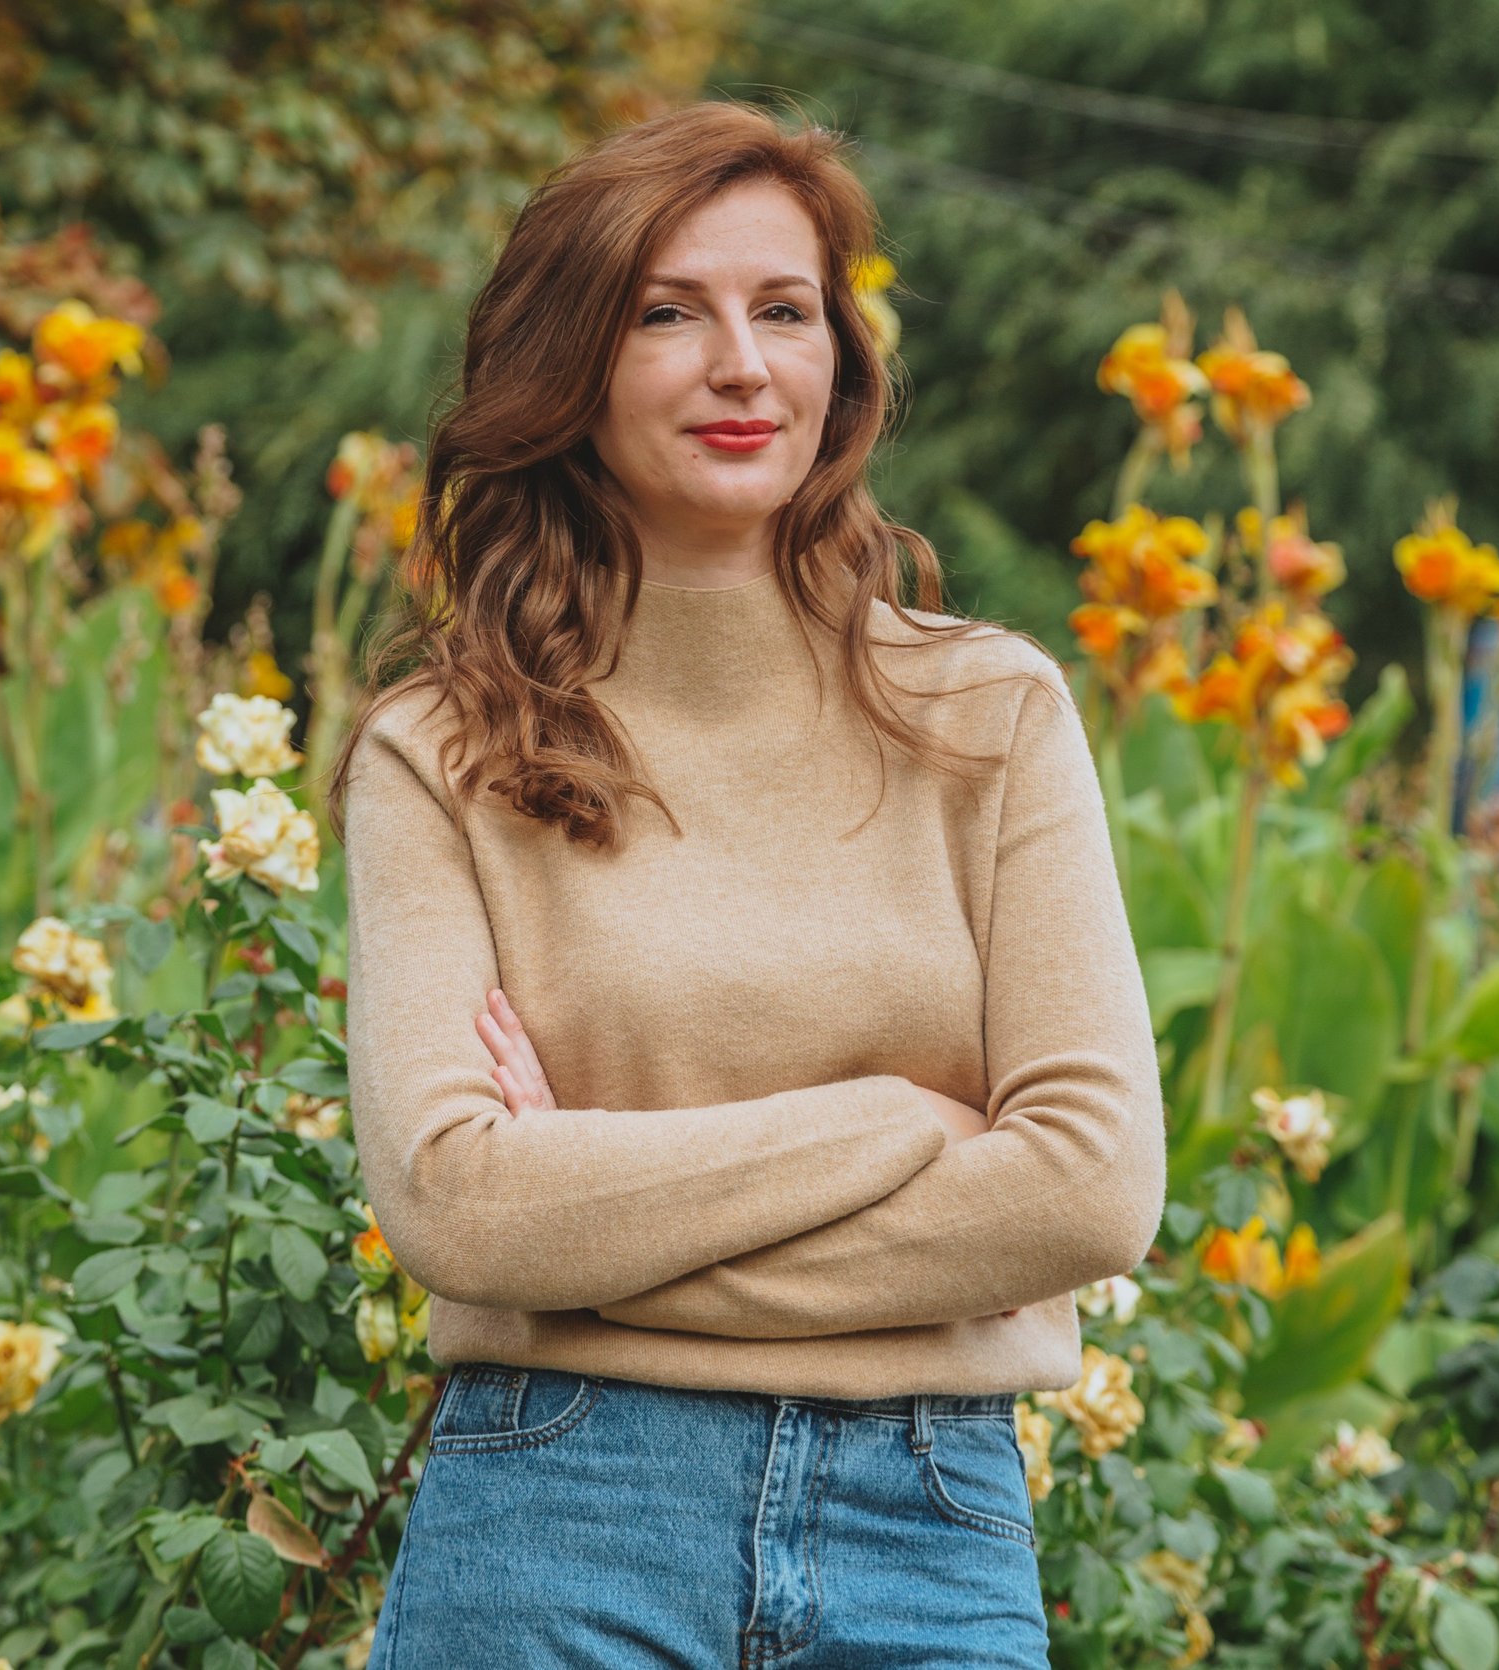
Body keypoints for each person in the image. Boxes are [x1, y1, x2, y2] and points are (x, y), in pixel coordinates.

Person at [326, 96, 1166, 1670]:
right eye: (668, 312)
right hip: (560, 1509)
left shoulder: (990, 716)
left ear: (839, 360)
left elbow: (1091, 1186)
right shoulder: (442, 753)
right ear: (568, 366)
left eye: (785, 310)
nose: (743, 364)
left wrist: (597, 1192)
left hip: (930, 1523)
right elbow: (458, 1203)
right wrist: (904, 1122)